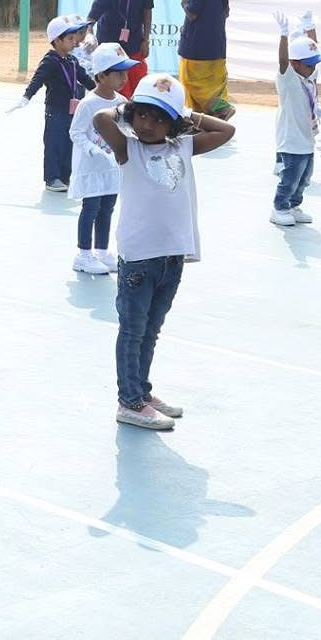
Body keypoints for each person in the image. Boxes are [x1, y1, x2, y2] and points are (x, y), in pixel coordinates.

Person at [92, 73, 235, 429]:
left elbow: (226, 131)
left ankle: (141, 391)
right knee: (133, 330)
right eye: (142, 115)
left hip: (172, 256)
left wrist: (186, 114)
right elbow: (100, 119)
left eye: (159, 118)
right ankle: (129, 401)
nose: (147, 124)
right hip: (139, 258)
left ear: (174, 124)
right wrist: (130, 108)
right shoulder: (129, 149)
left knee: (151, 329)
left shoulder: (183, 146)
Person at [70, 43, 135, 273]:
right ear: (101, 76)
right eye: (118, 73)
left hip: (112, 168)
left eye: (125, 72)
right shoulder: (88, 104)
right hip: (92, 168)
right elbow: (76, 132)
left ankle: (101, 251)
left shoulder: (121, 102)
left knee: (107, 208)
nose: (124, 78)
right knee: (91, 208)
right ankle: (83, 254)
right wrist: (93, 150)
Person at [16, 14, 96, 192]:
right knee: (54, 145)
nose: (74, 42)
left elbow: (86, 80)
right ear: (57, 41)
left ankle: (65, 177)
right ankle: (52, 179)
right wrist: (26, 97)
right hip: (56, 112)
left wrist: (102, 92)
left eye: (74, 37)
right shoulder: (50, 61)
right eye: (70, 38)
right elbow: (38, 79)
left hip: (72, 112)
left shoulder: (72, 60)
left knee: (69, 145)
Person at [270, 16, 321, 226]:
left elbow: (314, 49)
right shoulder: (288, 80)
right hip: (292, 141)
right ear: (295, 64)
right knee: (289, 179)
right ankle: (279, 208)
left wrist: (310, 28)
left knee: (304, 179)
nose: (314, 67)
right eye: (310, 64)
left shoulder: (309, 76)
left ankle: (293, 205)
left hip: (307, 140)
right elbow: (283, 62)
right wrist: (283, 35)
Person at [176, 0, 235, 117]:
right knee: (212, 86)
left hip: (197, 49)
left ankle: (222, 108)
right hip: (216, 47)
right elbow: (226, 13)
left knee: (193, 84)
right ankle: (207, 120)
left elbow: (192, 14)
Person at [86, 0, 153, 91]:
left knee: (140, 88)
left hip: (135, 43)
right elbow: (90, 20)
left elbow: (147, 12)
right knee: (121, 91)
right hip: (112, 49)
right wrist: (90, 36)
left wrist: (146, 40)